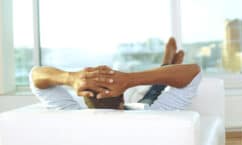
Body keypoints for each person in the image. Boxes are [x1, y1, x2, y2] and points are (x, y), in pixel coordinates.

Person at [30, 37, 202, 110]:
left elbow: (35, 75)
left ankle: (167, 64)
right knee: (152, 95)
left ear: (85, 96)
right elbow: (194, 71)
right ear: (122, 98)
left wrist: (71, 78)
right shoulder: (153, 115)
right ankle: (167, 64)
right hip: (143, 107)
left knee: (152, 94)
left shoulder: (71, 112)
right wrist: (130, 79)